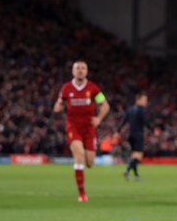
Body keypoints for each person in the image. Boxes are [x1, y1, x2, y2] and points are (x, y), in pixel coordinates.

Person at [53, 60, 110, 202]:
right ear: (73, 71)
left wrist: (99, 119)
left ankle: (83, 161)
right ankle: (82, 193)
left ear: (86, 71)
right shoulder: (66, 88)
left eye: (83, 68)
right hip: (73, 127)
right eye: (77, 68)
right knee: (79, 156)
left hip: (89, 129)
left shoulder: (93, 88)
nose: (80, 70)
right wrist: (57, 108)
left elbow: (105, 105)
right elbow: (59, 103)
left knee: (89, 162)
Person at [117, 93, 150, 181]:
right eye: (144, 100)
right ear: (138, 100)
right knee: (138, 156)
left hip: (131, 135)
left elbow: (123, 122)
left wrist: (117, 131)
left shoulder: (129, 110)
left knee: (134, 156)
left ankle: (136, 175)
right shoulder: (141, 110)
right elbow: (145, 121)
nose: (145, 102)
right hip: (138, 134)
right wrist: (153, 129)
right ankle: (127, 170)